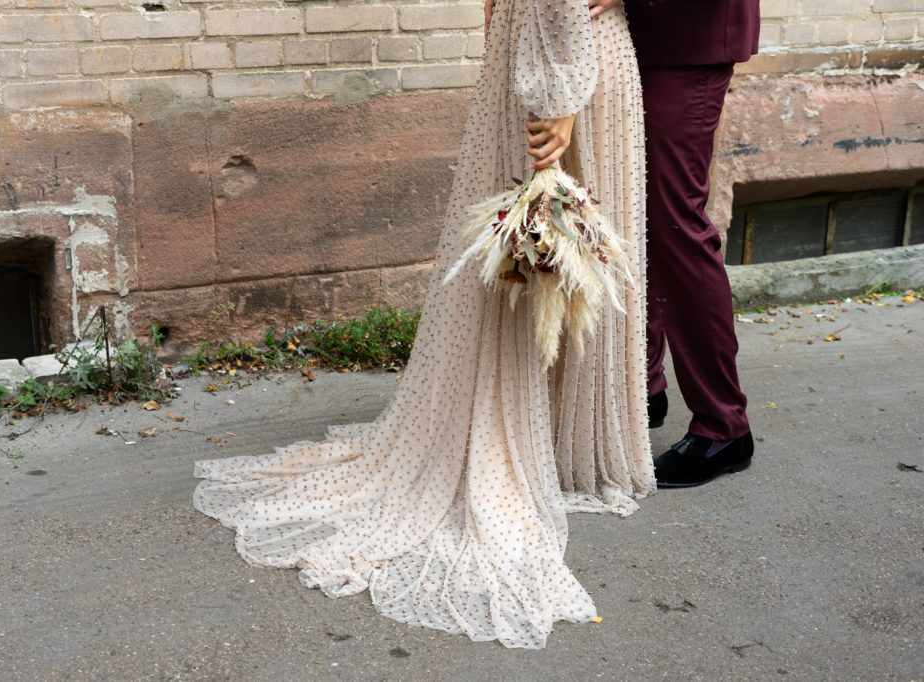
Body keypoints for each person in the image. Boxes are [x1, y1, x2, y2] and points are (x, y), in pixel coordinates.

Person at [193, 0, 653, 649]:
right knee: (548, 259)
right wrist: (555, 83)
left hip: (562, 58)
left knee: (552, 258)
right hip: (560, 55)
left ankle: (555, 445)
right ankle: (566, 446)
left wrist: (560, 92)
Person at [625, 0, 760, 487]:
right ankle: (646, 387)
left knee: (675, 224)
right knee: (631, 216)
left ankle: (724, 427)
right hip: (621, 37)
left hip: (689, 35)